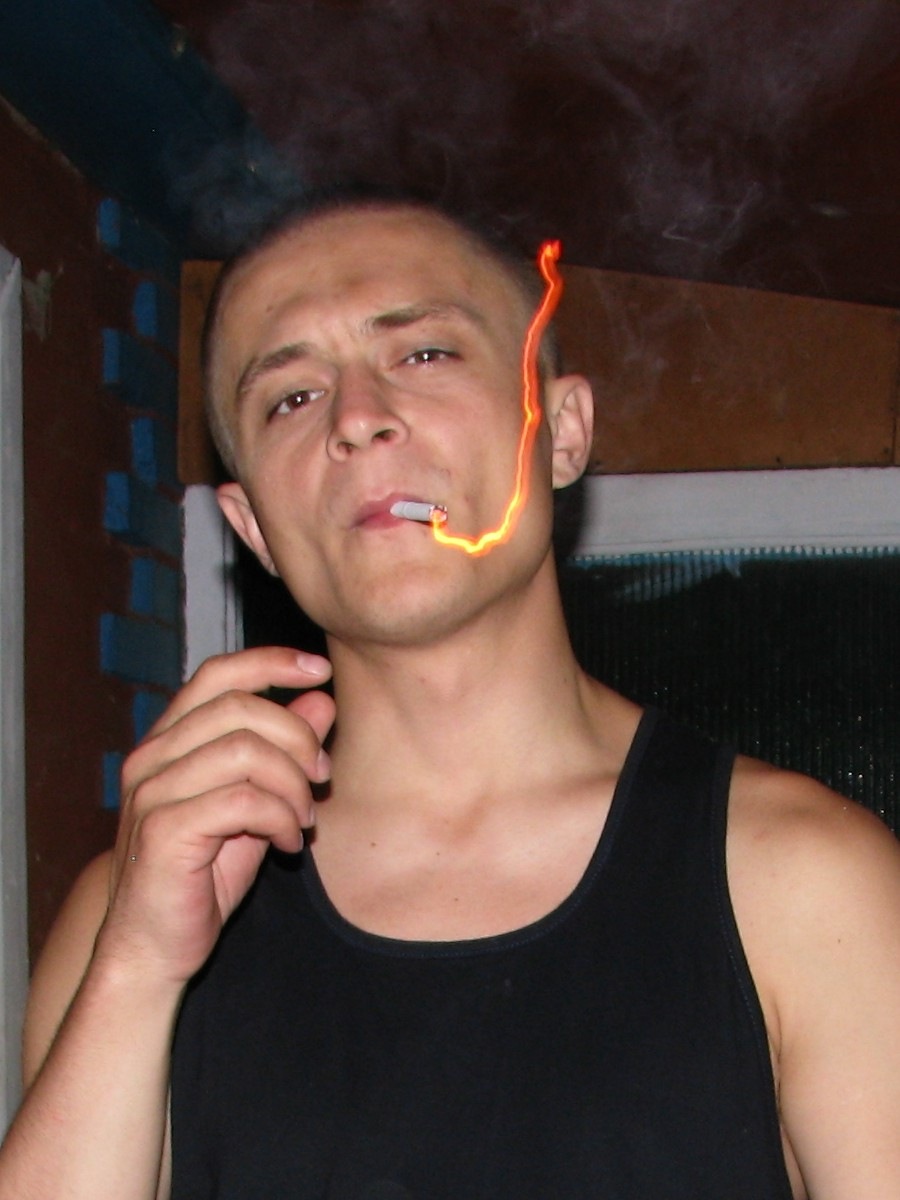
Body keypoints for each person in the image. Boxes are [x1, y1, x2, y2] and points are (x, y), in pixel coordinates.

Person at [2, 191, 900, 1200]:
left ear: (563, 431)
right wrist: (137, 964)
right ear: (252, 527)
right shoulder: (144, 906)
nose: (357, 418)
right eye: (291, 397)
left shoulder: (800, 878)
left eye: (424, 353)